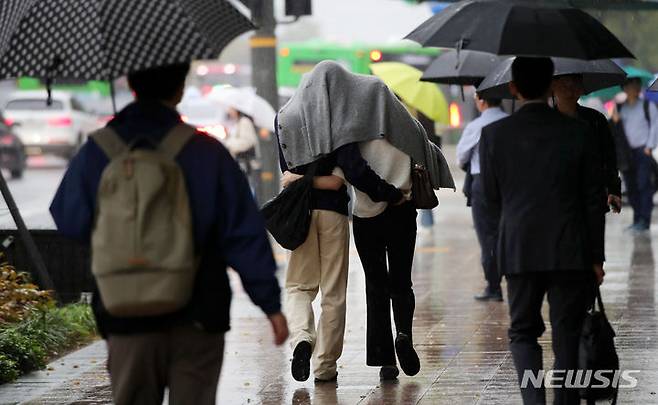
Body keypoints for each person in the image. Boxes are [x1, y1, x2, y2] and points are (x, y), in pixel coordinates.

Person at [50, 63, 288, 405]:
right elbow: (243, 234)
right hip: (199, 314)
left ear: (131, 84)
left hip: (125, 311)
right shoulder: (206, 151)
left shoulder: (97, 151)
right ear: (179, 87)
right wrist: (270, 305)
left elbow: (69, 219)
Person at [277, 61, 454, 381]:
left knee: (356, 285)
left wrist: (380, 192)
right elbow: (425, 155)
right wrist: (397, 194)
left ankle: (366, 353)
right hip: (378, 213)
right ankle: (387, 341)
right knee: (390, 283)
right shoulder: (399, 127)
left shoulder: (321, 126)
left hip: (348, 216)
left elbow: (345, 170)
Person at [480, 57, 605, 405]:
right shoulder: (578, 132)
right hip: (571, 249)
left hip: (519, 249)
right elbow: (593, 200)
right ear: (552, 84)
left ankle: (533, 401)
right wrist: (596, 257)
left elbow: (489, 201)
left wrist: (496, 251)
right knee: (567, 332)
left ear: (513, 88)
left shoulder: (494, 135)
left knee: (523, 331)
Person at [277, 124, 405, 383]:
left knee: (298, 287)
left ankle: (302, 338)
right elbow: (338, 180)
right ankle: (324, 367)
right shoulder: (337, 124)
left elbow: (287, 174)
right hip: (333, 215)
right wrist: (390, 194)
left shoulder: (284, 119)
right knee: (333, 293)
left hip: (299, 216)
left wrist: (299, 178)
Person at [456, 94, 508, 301]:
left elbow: (461, 158)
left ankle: (494, 286)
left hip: (482, 184)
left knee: (487, 236)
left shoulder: (476, 126)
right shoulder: (510, 123)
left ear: (482, 101)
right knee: (509, 232)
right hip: (510, 184)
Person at [611, 77, 658, 231]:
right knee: (631, 188)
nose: (634, 89)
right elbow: (615, 130)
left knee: (644, 185)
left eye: (637, 86)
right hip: (626, 154)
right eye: (631, 86)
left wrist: (649, 146)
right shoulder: (621, 108)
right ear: (625, 89)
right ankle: (637, 218)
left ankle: (644, 220)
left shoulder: (647, 106)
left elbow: (654, 126)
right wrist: (615, 120)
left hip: (642, 151)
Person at [223, 107, 260, 190]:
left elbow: (247, 142)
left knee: (246, 189)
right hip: (242, 164)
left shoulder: (244, 122)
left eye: (231, 108)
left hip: (246, 164)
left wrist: (229, 143)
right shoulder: (238, 122)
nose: (229, 111)